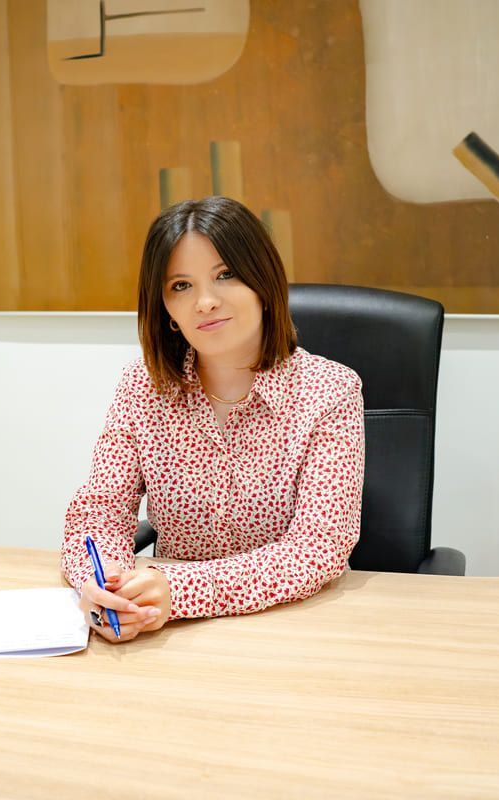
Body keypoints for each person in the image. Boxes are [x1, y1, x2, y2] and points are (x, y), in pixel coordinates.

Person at [60, 196, 365, 643]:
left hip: (293, 630)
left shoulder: (330, 392)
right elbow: (99, 510)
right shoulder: (142, 389)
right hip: (168, 638)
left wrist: (182, 591)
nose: (204, 302)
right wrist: (103, 586)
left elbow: (317, 549)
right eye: (180, 286)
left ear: (263, 283)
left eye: (225, 276)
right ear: (164, 308)